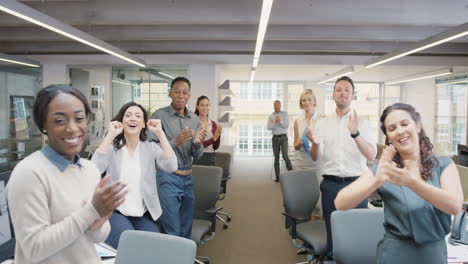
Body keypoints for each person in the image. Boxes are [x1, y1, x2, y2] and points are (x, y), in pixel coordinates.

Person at [6, 84, 127, 264]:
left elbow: (98, 237)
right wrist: (91, 211)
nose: (72, 128)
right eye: (59, 121)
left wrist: (100, 219)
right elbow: (33, 248)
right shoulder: (29, 173)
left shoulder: (89, 169)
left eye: (79, 118)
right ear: (43, 124)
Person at [335, 103, 463, 264]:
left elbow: (455, 206)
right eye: (392, 128)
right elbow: (340, 202)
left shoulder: (444, 165)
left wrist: (411, 182)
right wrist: (377, 180)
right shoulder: (386, 168)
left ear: (417, 126)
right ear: (388, 137)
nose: (400, 131)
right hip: (395, 254)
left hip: (433, 255)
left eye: (404, 124)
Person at [91, 102, 177, 248]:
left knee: (154, 248)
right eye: (128, 115)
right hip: (115, 212)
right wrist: (110, 135)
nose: (133, 119)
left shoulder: (151, 148)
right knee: (130, 247)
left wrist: (160, 133)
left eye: (138, 116)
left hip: (142, 214)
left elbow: (171, 166)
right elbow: (94, 169)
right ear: (121, 121)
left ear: (143, 124)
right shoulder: (112, 147)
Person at [307, 76, 376, 257]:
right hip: (330, 184)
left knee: (357, 233)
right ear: (333, 95)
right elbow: (315, 157)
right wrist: (314, 143)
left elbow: (371, 155)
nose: (342, 93)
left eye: (347, 90)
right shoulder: (322, 123)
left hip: (357, 185)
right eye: (338, 89)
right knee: (333, 232)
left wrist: (355, 133)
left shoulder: (363, 123)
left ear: (353, 95)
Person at [150, 77, 207, 238]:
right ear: (170, 93)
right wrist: (174, 142)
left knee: (185, 228)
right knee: (172, 229)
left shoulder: (194, 120)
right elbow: (149, 150)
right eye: (177, 92)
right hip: (167, 177)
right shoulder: (159, 116)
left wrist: (196, 143)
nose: (181, 96)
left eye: (185, 92)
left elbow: (198, 155)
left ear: (189, 96)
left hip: (187, 177)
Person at [293, 89, 322, 219]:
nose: (307, 102)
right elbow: (294, 145)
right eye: (304, 100)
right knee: (303, 195)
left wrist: (314, 140)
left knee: (317, 197)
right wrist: (298, 143)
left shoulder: (322, 119)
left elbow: (325, 142)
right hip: (301, 163)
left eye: (309, 99)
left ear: (314, 102)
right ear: (301, 103)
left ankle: (316, 224)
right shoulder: (297, 121)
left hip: (316, 164)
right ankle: (304, 224)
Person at [267, 100, 293, 182]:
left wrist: (280, 121)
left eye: (277, 105)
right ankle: (278, 177)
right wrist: (275, 122)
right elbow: (268, 127)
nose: (276, 107)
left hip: (283, 138)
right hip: (275, 138)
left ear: (280, 105)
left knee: (285, 156)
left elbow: (286, 125)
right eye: (275, 105)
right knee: (276, 158)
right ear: (273, 106)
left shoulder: (284, 114)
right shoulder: (271, 116)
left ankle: (292, 174)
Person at [193, 95, 222, 165]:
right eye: (202, 105)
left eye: (207, 105)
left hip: (210, 157)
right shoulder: (193, 123)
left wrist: (218, 135)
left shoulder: (213, 124)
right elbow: (197, 145)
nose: (205, 108)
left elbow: (215, 147)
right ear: (197, 107)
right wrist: (214, 138)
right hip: (196, 158)